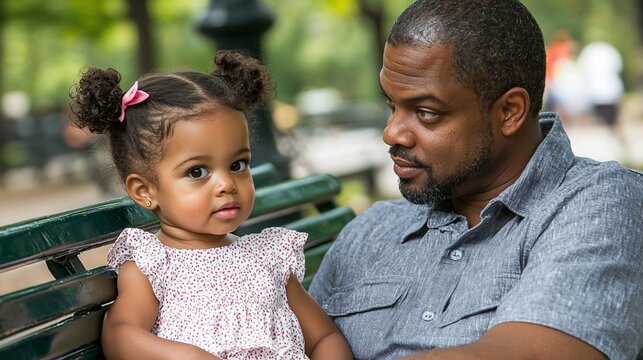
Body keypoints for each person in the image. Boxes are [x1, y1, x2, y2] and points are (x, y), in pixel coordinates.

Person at [308, 1, 643, 359]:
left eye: (426, 112)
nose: (392, 133)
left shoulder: (600, 203)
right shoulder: (371, 231)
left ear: (509, 112)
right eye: (392, 106)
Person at [69, 50, 353, 360]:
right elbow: (120, 333)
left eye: (238, 164)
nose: (227, 184)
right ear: (145, 190)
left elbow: (323, 336)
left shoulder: (267, 257)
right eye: (197, 172)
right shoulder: (154, 264)